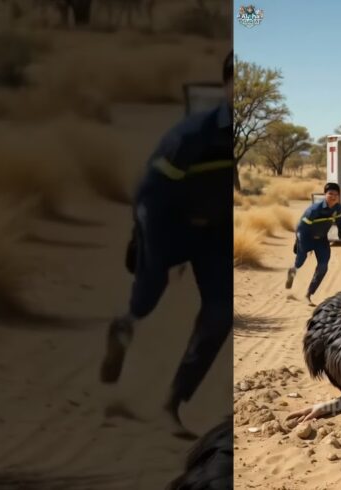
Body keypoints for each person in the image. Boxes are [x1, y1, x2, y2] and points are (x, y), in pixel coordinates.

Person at [100, 51, 234, 439]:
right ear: (226, 86)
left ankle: (172, 404)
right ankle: (124, 327)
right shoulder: (192, 136)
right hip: (167, 225)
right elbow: (149, 193)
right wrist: (145, 242)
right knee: (148, 295)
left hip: (215, 234)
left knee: (221, 314)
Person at [286, 183, 341, 305]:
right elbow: (300, 228)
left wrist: (340, 233)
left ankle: (308, 294)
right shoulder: (314, 210)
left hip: (322, 240)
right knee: (301, 260)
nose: (333, 196)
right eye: (330, 194)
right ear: (325, 195)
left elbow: (340, 221)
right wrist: (300, 242)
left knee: (323, 266)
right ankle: (292, 270)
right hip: (306, 237)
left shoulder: (337, 208)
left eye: (336, 194)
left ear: (339, 196)